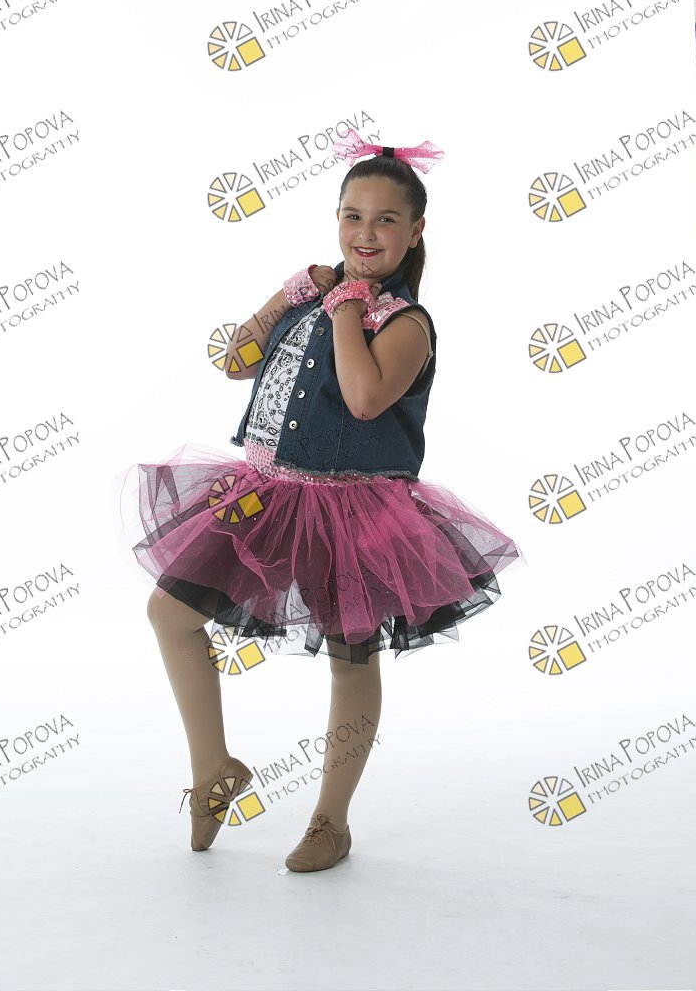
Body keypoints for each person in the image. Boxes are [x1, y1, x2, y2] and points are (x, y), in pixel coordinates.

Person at [120, 126, 525, 873]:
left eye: (386, 220)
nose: (366, 233)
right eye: (352, 216)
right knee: (169, 612)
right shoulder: (311, 300)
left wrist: (346, 309)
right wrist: (291, 291)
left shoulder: (406, 323)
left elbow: (366, 400)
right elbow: (236, 361)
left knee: (349, 657)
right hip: (265, 493)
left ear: (415, 231)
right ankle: (215, 770)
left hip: (354, 512)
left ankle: (330, 821)